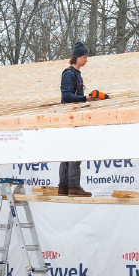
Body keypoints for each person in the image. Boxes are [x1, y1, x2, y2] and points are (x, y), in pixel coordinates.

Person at [59, 41, 99, 195]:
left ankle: (64, 187)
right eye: (84, 56)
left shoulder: (76, 74)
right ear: (77, 57)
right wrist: (85, 100)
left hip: (73, 118)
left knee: (67, 152)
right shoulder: (69, 73)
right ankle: (73, 187)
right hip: (70, 119)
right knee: (75, 151)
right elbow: (66, 96)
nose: (87, 59)